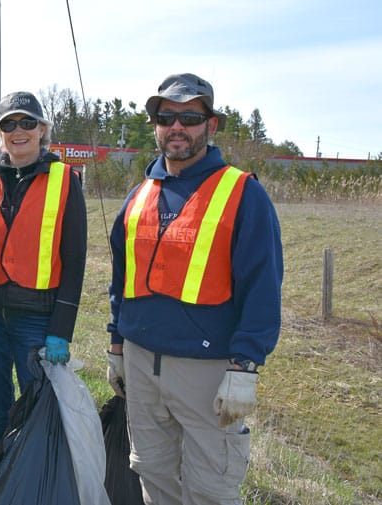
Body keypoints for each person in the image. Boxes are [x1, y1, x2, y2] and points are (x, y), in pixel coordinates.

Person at [105, 73, 283, 505]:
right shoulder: (138, 196)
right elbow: (121, 280)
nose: (177, 127)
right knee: (153, 476)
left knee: (210, 490)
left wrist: (245, 366)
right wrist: (116, 346)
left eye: (189, 116)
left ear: (211, 124)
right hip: (142, 365)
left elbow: (263, 285)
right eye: (166, 117)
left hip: (208, 374)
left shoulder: (242, 193)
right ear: (155, 125)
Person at [0, 91, 87, 454]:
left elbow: (75, 259)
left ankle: (34, 483)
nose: (18, 130)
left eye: (27, 122)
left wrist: (61, 330)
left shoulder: (65, 180)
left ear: (42, 130)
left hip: (36, 320)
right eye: (9, 123)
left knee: (38, 411)